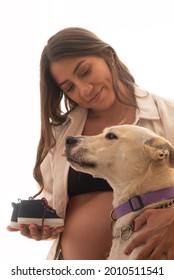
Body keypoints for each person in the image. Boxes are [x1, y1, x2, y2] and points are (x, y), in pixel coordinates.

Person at [8, 27, 174, 260]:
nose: (84, 90)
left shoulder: (169, 114)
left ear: (109, 56)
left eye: (85, 71)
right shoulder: (61, 136)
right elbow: (54, 204)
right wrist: (41, 225)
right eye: (69, 88)